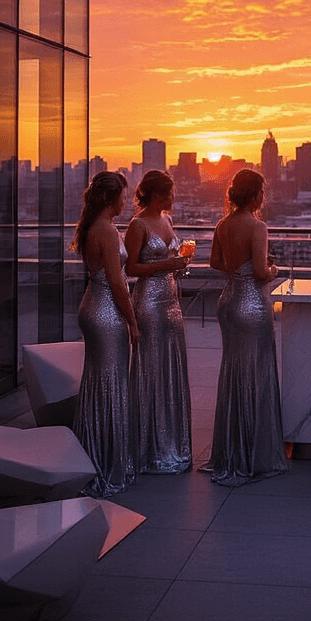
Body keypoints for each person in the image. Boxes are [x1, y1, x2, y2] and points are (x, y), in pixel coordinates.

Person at [203, 168, 288, 487]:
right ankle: (252, 452)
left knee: (234, 372)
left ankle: (229, 450)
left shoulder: (223, 224)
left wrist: (237, 271)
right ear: (256, 195)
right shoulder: (257, 226)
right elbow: (263, 273)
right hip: (251, 305)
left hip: (227, 302)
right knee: (255, 373)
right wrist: (273, 268)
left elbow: (214, 262)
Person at [71, 171, 138, 497]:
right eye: (124, 196)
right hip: (106, 312)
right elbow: (117, 283)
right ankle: (105, 463)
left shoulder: (92, 227)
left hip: (92, 307)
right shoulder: (107, 231)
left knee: (99, 384)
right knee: (111, 385)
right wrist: (133, 322)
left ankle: (93, 456)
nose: (127, 201)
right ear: (112, 199)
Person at [125, 170, 192, 474]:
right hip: (149, 301)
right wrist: (167, 263)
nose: (173, 198)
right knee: (151, 366)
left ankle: (171, 442)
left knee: (171, 365)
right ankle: (149, 447)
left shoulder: (166, 220)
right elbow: (131, 268)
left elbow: (170, 257)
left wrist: (178, 262)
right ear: (155, 195)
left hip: (171, 301)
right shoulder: (137, 225)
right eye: (169, 194)